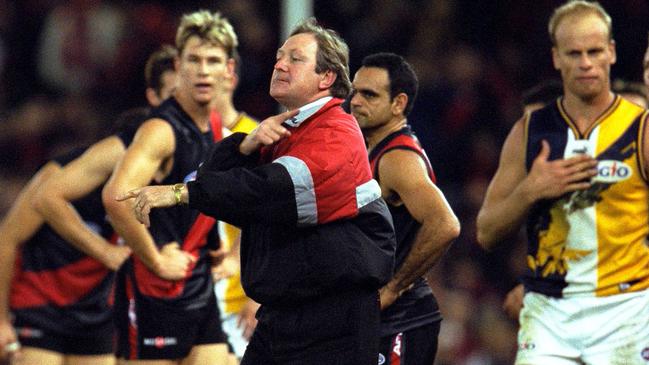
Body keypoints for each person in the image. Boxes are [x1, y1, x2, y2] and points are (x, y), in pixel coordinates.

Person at [116, 17, 396, 365]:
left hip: (331, 320)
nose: (279, 64)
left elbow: (267, 193)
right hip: (282, 315)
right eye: (280, 56)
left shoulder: (337, 131)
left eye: (295, 58)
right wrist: (243, 147)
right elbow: (223, 193)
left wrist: (178, 193)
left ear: (326, 78)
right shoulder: (284, 131)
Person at [476, 1, 649, 364]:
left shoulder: (642, 128)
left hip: (626, 309)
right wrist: (530, 190)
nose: (585, 63)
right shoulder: (529, 131)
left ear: (611, 53)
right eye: (574, 53)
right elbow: (487, 232)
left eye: (594, 51)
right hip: (549, 314)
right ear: (556, 58)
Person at [0, 44, 178, 365]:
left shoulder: (176, 173)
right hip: (40, 304)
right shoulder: (69, 171)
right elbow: (7, 238)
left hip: (97, 310)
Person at [102, 10, 238, 364]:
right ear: (178, 65)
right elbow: (115, 198)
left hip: (196, 282)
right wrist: (156, 260)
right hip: (153, 291)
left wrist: (213, 244)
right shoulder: (161, 130)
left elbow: (198, 189)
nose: (204, 70)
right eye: (194, 59)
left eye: (213, 61)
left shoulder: (212, 121)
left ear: (229, 69)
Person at [349, 52, 460, 365]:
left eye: (369, 94)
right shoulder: (372, 149)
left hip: (402, 319)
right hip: (375, 320)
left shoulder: (397, 159)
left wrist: (394, 288)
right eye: (355, 91)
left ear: (398, 103)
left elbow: (445, 224)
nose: (356, 101)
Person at [209, 55, 260, 363]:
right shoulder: (184, 138)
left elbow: (272, 220)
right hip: (198, 297)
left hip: (239, 302)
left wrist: (257, 297)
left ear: (230, 77)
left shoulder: (255, 136)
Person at [501, 79, 564, 321]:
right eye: (524, 127)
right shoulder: (528, 177)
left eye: (539, 125)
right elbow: (486, 232)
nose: (529, 136)